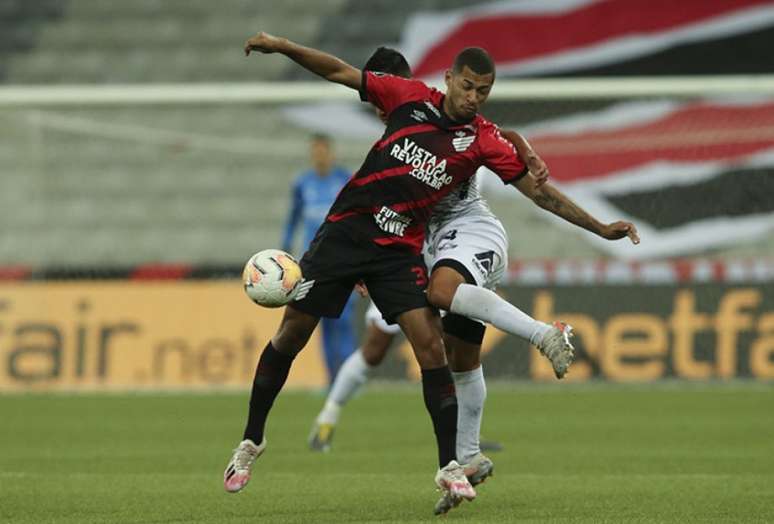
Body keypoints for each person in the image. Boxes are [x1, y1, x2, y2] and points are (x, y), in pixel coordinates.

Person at [306, 47, 641, 515]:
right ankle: (467, 457)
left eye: (381, 92)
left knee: (439, 295)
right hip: (422, 243)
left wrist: (601, 227)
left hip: (469, 230)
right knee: (459, 359)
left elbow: (521, 168)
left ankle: (546, 334)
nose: (379, 104)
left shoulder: (437, 114)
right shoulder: (401, 120)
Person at [225, 32, 536, 512]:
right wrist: (284, 47)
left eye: (481, 91)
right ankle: (250, 442)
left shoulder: (445, 121)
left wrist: (521, 143)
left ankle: (450, 465)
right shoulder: (401, 115)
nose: (473, 97)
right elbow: (336, 70)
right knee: (292, 336)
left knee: (431, 347)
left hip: (404, 250)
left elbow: (492, 134)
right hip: (345, 239)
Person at [281, 134, 356, 384]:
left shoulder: (344, 180)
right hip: (312, 264)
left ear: (331, 153)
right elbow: (293, 218)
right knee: (318, 324)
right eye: (316, 151)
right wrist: (285, 249)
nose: (320, 155)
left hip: (343, 262)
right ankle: (331, 380)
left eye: (323, 150)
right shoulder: (303, 184)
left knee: (343, 323)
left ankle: (348, 381)